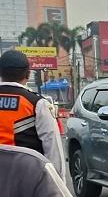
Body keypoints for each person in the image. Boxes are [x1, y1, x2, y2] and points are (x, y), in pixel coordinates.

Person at [0, 50, 66, 178]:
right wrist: (57, 188)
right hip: (24, 182)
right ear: (28, 74)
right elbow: (53, 150)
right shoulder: (37, 104)